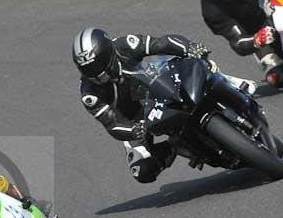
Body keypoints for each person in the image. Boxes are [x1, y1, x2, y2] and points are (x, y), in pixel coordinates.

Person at [73, 27, 256, 183]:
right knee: (142, 171)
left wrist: (189, 48)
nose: (99, 77)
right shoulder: (89, 94)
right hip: (136, 119)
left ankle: (228, 82)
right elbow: (112, 125)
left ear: (108, 52)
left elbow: (161, 44)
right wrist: (134, 130)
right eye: (91, 72)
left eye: (100, 68)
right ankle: (173, 146)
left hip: (156, 83)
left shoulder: (124, 45)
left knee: (203, 63)